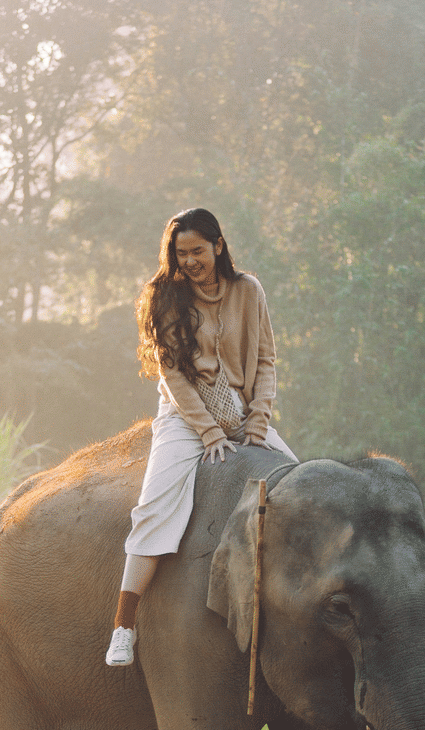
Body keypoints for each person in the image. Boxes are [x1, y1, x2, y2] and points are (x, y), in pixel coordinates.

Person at [105, 207, 296, 667]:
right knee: (153, 508)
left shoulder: (249, 290)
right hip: (185, 416)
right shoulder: (165, 297)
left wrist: (257, 420)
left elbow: (267, 361)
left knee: (299, 487)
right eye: (180, 252)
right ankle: (124, 627)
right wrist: (208, 431)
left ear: (218, 246)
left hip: (246, 412)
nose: (188, 260)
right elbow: (171, 375)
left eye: (196, 251)